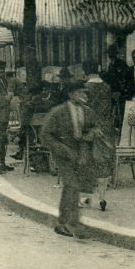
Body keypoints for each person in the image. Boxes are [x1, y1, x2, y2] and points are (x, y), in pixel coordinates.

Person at [42, 84, 99, 238]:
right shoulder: (58, 112)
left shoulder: (88, 112)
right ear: (71, 94)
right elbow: (46, 135)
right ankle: (66, 223)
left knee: (74, 187)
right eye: (80, 92)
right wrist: (61, 149)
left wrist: (91, 134)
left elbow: (95, 128)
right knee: (72, 184)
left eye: (84, 92)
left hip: (80, 154)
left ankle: (69, 222)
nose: (83, 95)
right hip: (63, 155)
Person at [80, 60, 115, 212]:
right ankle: (102, 197)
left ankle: (85, 198)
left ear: (85, 72)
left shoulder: (85, 88)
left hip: (89, 130)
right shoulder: (107, 87)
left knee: (86, 162)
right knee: (103, 162)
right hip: (105, 129)